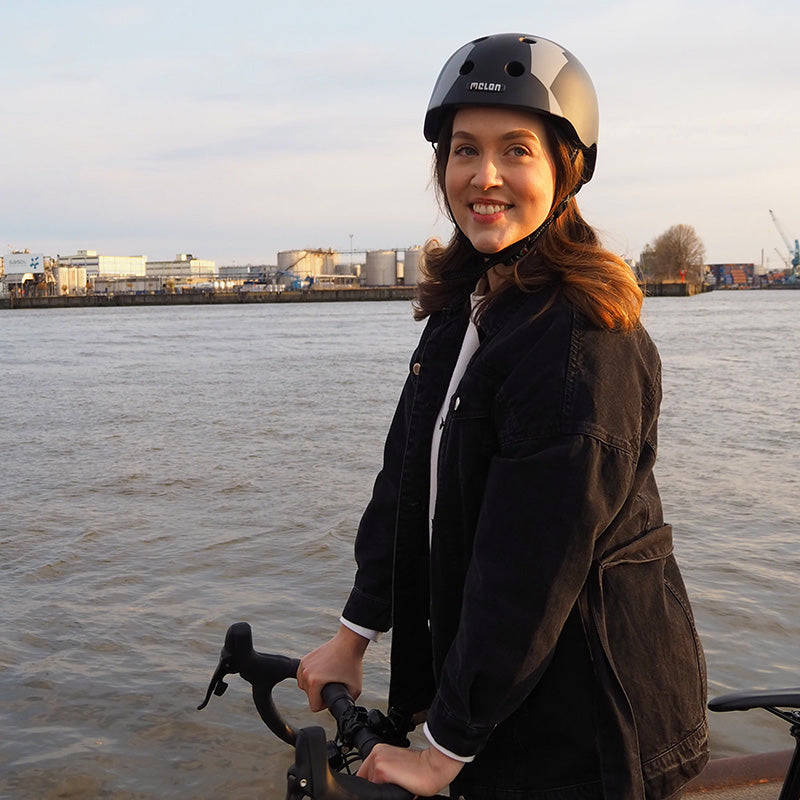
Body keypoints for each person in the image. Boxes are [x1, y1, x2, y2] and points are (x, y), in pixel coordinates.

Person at [297, 33, 709, 800]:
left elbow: (529, 575)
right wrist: (353, 635)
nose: (484, 177)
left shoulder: (582, 342)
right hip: (502, 717)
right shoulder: (466, 306)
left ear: (565, 168)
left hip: (594, 730)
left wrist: (441, 754)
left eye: (516, 150)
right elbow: (404, 484)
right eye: (463, 150)